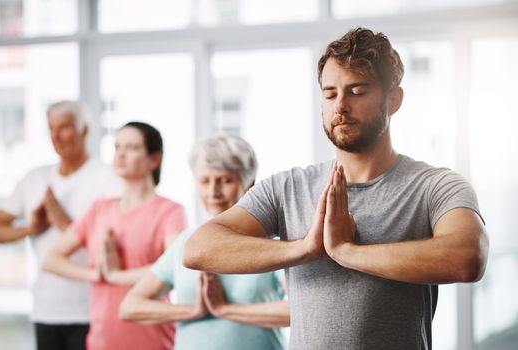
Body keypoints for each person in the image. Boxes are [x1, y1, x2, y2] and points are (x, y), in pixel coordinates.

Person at [183, 28, 489, 350]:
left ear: (393, 99)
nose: (340, 106)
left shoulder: (436, 186)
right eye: (330, 94)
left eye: (357, 91)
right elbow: (199, 248)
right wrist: (304, 248)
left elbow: (468, 256)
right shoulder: (288, 187)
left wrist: (347, 252)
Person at [120, 134, 289, 350]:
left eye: (226, 180)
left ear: (250, 184)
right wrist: (193, 311)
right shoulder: (186, 243)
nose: (213, 192)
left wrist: (226, 310)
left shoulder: (270, 244)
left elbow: (300, 310)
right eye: (205, 181)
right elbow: (131, 306)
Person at [0, 100, 121, 350]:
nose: (56, 136)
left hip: (91, 310)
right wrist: (31, 228)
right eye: (51, 128)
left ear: (84, 130)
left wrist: (66, 222)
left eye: (64, 127)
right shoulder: (35, 178)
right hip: (46, 310)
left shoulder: (107, 177)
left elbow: (115, 246)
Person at [43, 121, 187, 350]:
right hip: (102, 341)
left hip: (153, 341)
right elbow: (51, 260)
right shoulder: (98, 210)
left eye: (131, 148)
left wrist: (117, 276)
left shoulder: (170, 211)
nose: (121, 154)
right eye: (117, 147)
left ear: (154, 159)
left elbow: (175, 269)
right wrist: (96, 274)